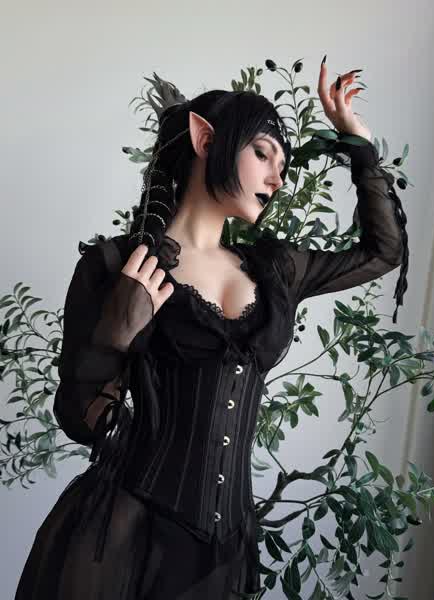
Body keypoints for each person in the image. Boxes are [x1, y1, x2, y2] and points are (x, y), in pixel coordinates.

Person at [14, 58, 408, 599]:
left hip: (223, 554)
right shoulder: (118, 267)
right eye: (263, 153)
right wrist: (115, 334)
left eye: (282, 164)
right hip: (126, 538)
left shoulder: (273, 270)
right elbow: (80, 421)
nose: (277, 178)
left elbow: (383, 252)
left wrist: (355, 139)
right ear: (205, 139)